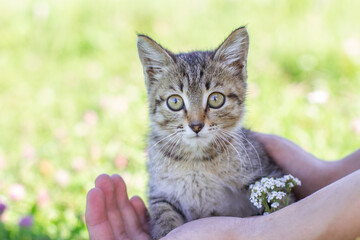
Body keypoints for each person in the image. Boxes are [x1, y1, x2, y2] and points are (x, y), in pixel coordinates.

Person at [85, 133, 360, 240]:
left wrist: (251, 234)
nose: (195, 121)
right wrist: (327, 176)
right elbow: (162, 203)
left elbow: (275, 193)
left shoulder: (240, 152)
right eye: (175, 102)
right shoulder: (161, 152)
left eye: (214, 100)